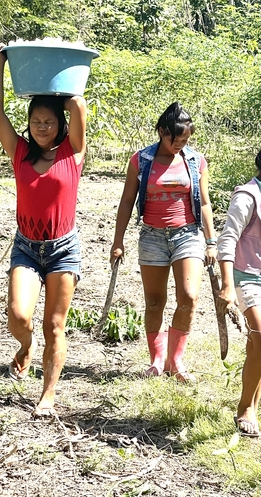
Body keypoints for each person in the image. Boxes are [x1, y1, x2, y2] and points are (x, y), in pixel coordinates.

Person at [0, 44, 87, 417]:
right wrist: (0, 64)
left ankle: (47, 394)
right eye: (35, 121)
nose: (41, 127)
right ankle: (25, 346)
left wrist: (60, 89)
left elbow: (79, 105)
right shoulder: (19, 152)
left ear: (60, 124)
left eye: (48, 121)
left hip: (64, 248)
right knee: (19, 316)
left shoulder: (73, 152)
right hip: (27, 248)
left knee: (56, 325)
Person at [110, 102, 216, 382]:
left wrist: (211, 241)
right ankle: (157, 360)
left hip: (187, 235)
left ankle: (175, 361)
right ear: (161, 132)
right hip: (152, 237)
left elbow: (204, 203)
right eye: (175, 139)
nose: (179, 144)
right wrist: (117, 240)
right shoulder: (141, 160)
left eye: (185, 140)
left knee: (189, 297)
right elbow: (126, 201)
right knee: (155, 301)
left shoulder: (196, 161)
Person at [217, 150, 261, 437]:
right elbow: (227, 240)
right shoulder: (247, 197)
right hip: (247, 277)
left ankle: (254, 402)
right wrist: (227, 285)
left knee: (256, 346)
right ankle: (245, 407)